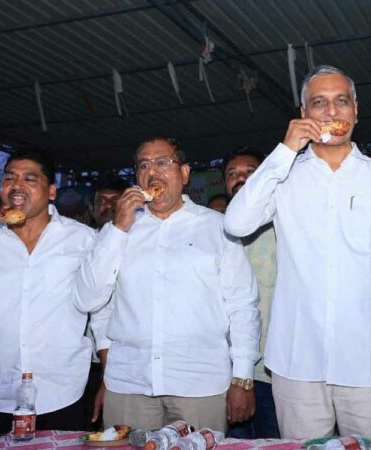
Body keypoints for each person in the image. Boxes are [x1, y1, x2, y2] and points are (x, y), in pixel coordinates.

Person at [224, 65, 371, 440]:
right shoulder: (284, 176)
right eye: (319, 103)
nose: (332, 112)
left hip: (370, 363)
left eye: (341, 102)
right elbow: (236, 223)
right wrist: (284, 150)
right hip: (297, 363)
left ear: (356, 111)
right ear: (303, 115)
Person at [88, 137, 259, 432]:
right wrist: (118, 228)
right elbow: (89, 300)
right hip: (129, 383)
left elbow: (242, 305)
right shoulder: (115, 230)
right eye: (144, 165)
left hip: (199, 384)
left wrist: (242, 378)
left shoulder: (218, 227)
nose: (152, 171)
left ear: (184, 173)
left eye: (163, 162)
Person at [0, 151, 114, 434]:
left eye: (29, 178)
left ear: (50, 191)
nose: (16, 185)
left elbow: (102, 315)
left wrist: (108, 380)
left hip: (63, 392)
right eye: (9, 177)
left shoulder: (83, 239)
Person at [223, 150, 280, 438]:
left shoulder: (285, 228)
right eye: (232, 173)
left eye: (249, 171)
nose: (240, 178)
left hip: (273, 372)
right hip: (225, 372)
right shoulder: (214, 232)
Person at [84, 176, 130, 430]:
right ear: (91, 209)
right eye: (101, 201)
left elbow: (103, 312)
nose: (109, 207)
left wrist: (108, 375)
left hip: (118, 362)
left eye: (117, 201)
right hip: (81, 365)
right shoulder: (78, 242)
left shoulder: (135, 244)